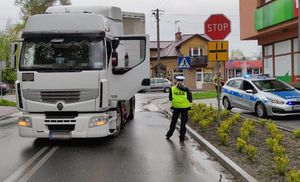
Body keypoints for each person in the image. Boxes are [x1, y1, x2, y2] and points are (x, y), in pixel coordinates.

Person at [166, 76, 192, 142]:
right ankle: (182, 138)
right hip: (185, 108)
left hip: (176, 107)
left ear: (176, 81)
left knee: (173, 121)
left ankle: (169, 134)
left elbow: (170, 98)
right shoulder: (186, 89)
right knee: (183, 123)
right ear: (183, 81)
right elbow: (190, 98)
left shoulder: (173, 89)